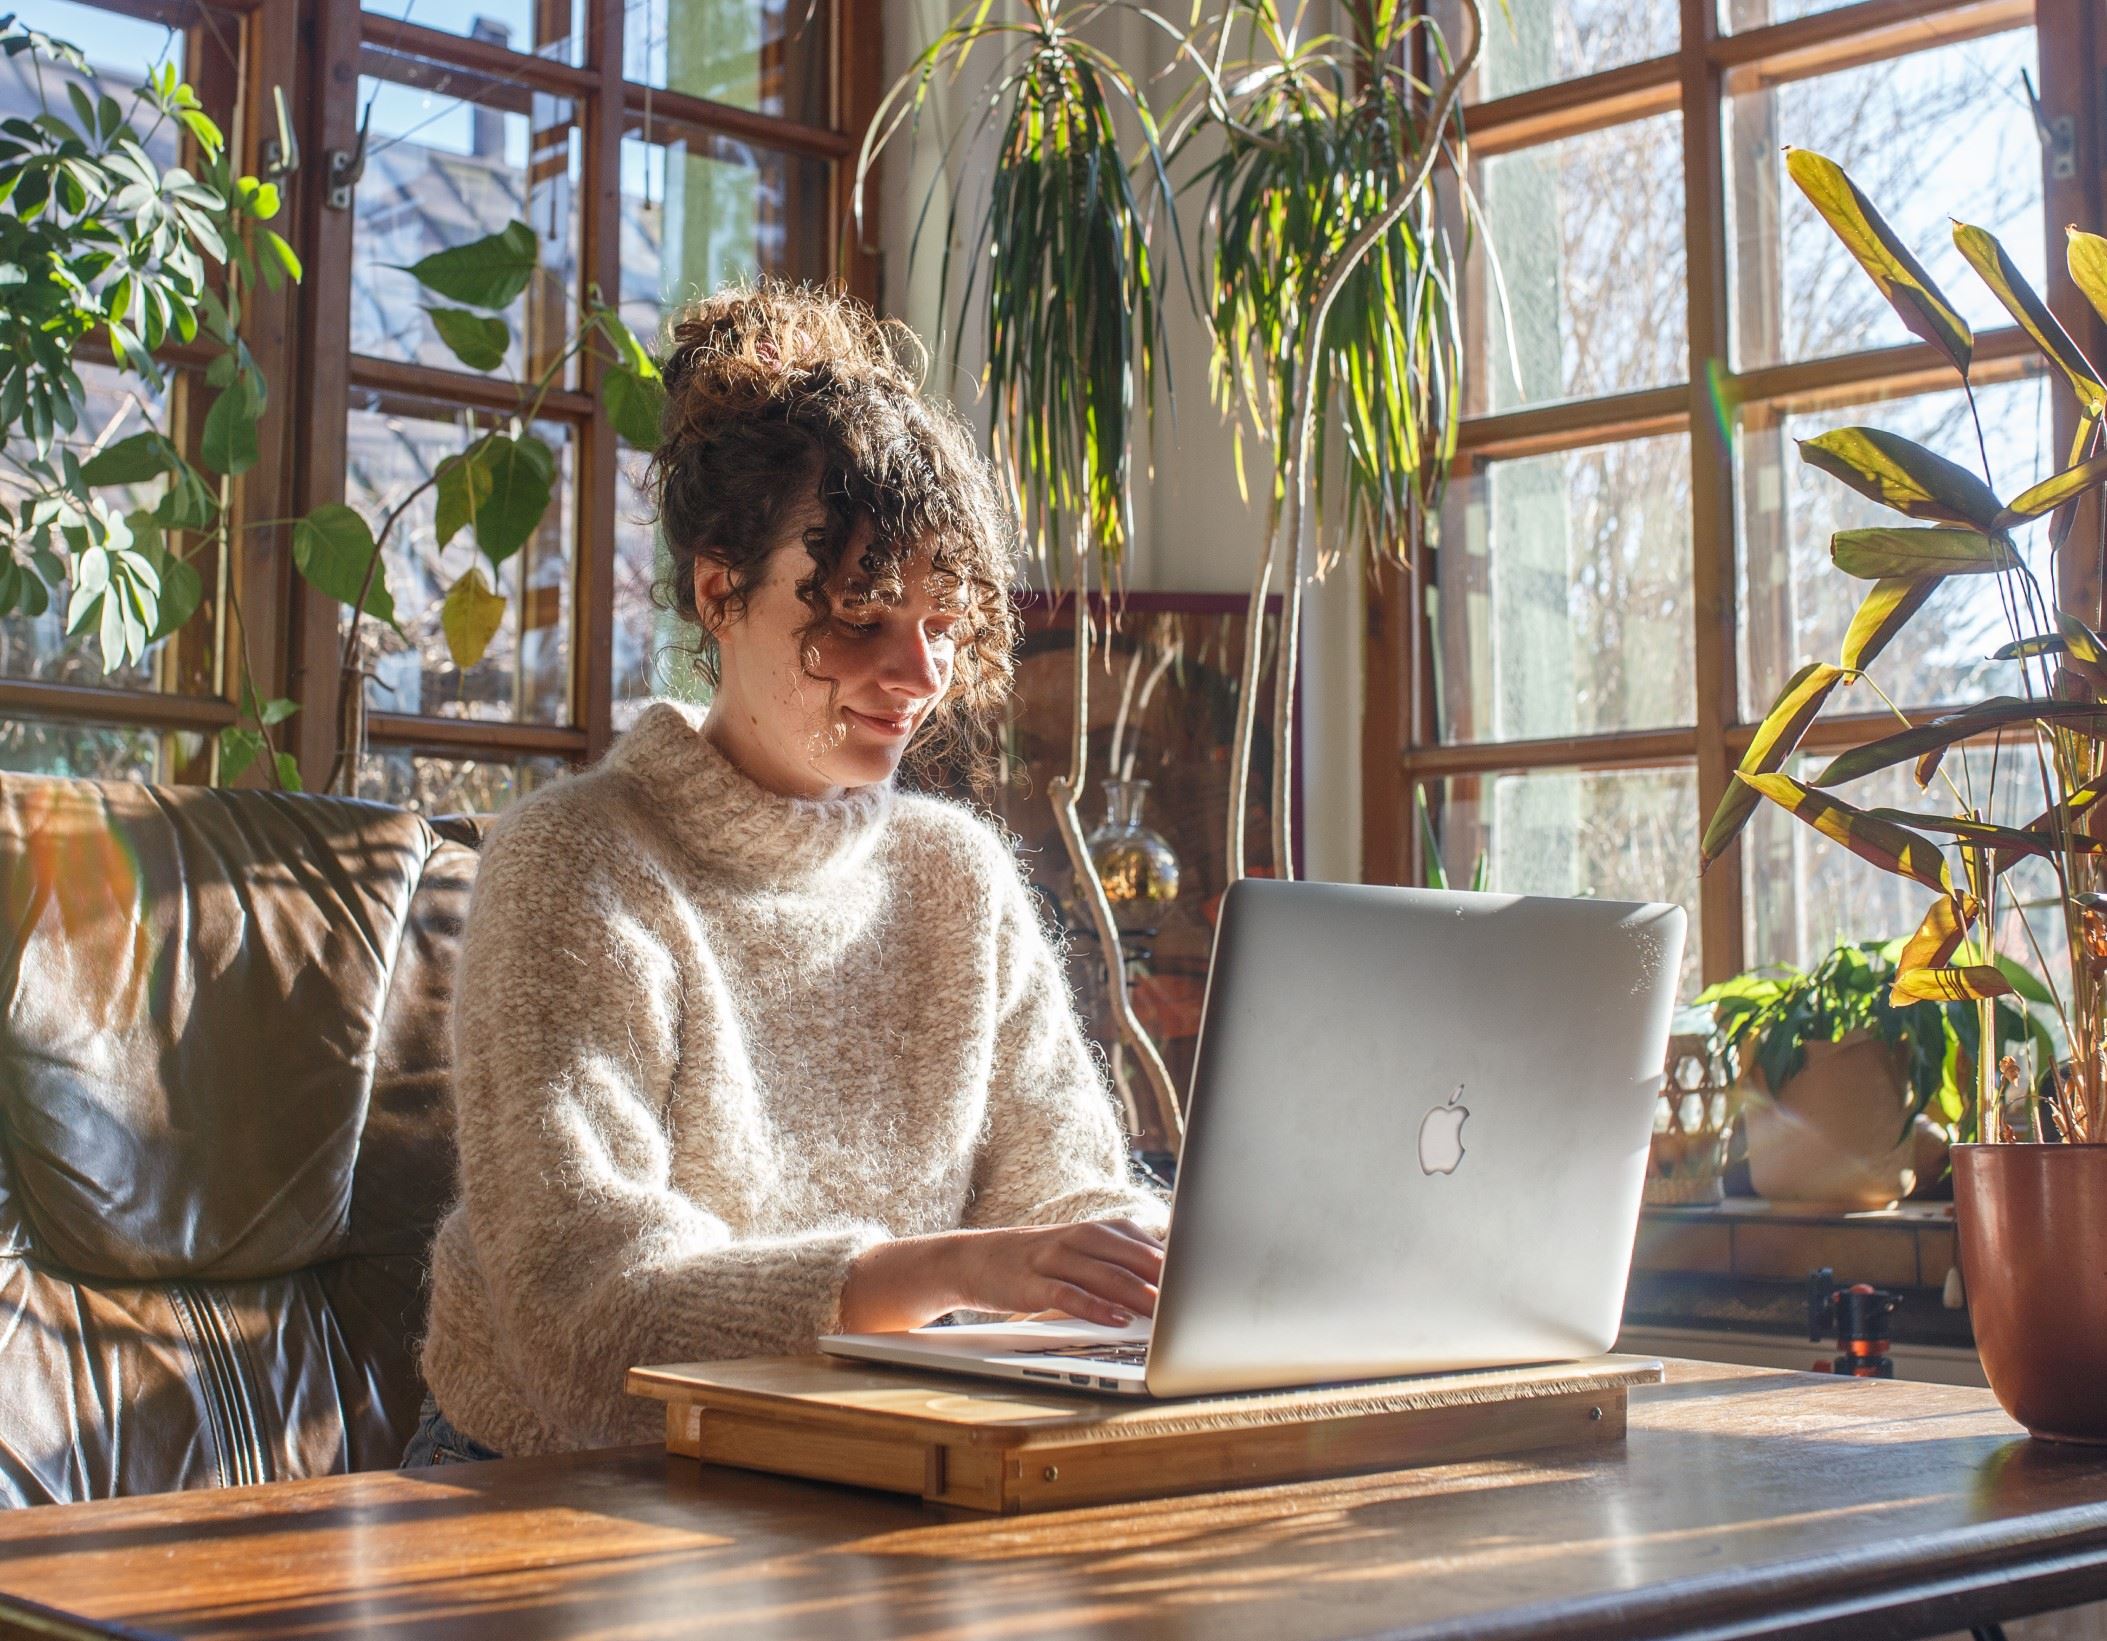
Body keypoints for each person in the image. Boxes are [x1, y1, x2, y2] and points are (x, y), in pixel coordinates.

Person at [402, 282, 1168, 1465]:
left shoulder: (955, 878)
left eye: (944, 620)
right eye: (862, 613)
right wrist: (955, 1270)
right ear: (721, 590)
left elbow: (1061, 1200)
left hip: (869, 1459)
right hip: (557, 1480)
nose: (918, 671)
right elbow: (585, 1320)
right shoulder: (577, 865)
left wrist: (1154, 1262)